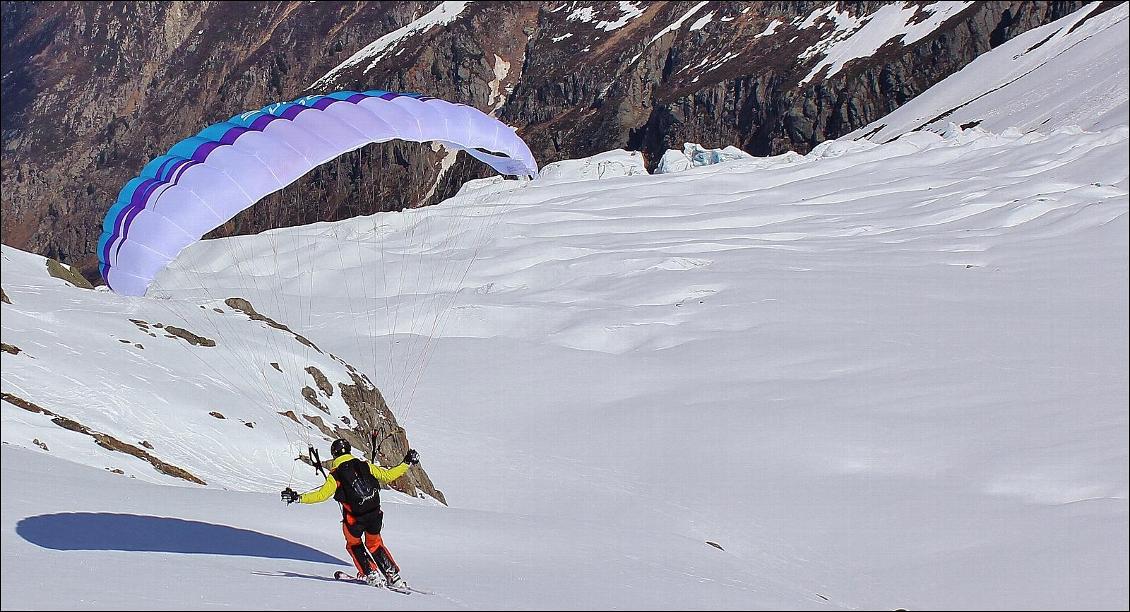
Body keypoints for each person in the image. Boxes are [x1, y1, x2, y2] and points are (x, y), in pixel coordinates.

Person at [281, 438, 420, 589]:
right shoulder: (365, 466)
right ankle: (392, 576)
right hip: (374, 515)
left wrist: (298, 498)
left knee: (354, 544)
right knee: (374, 544)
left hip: (355, 520)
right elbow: (388, 476)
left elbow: (321, 495)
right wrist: (406, 462)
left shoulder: (336, 475)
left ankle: (371, 573)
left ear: (334, 455)